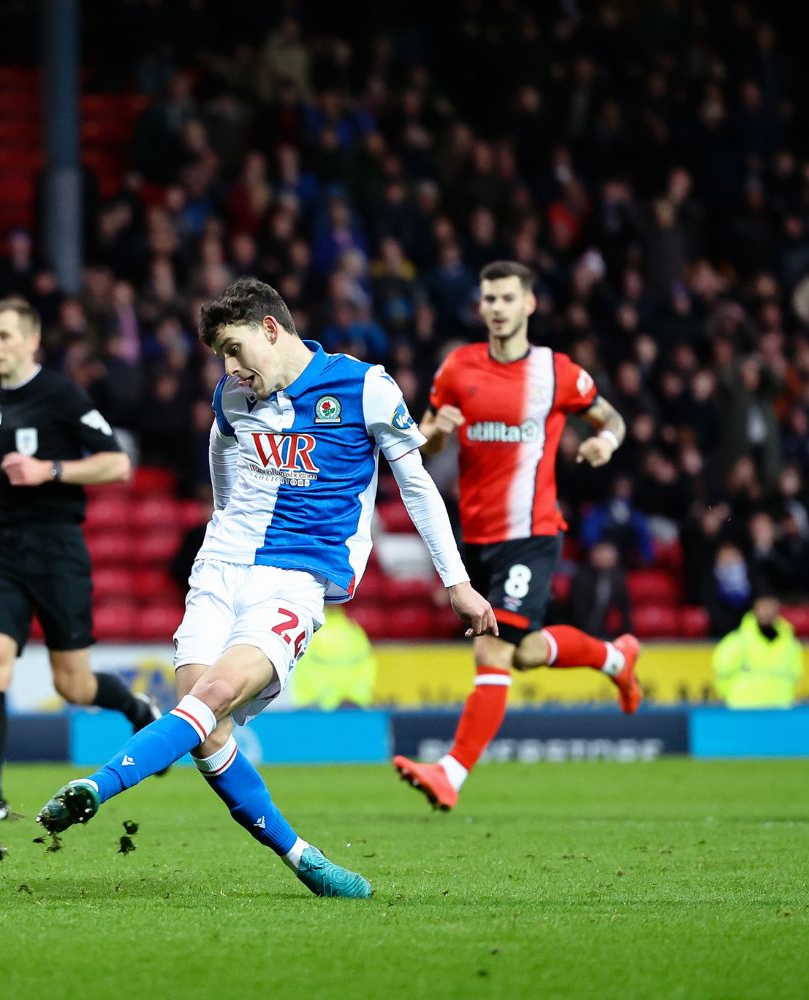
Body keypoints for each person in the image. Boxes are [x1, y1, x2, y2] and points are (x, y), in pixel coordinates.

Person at [34, 278, 497, 899]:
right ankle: (305, 860)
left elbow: (415, 486)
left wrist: (457, 583)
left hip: (295, 578)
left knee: (213, 697)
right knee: (206, 729)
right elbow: (222, 466)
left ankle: (98, 786)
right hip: (220, 568)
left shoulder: (364, 387)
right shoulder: (233, 396)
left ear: (270, 329)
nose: (228, 369)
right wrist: (225, 533)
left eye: (233, 349)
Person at [391, 262, 642, 809]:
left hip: (532, 533)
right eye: (488, 299)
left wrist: (607, 444)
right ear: (480, 307)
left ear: (529, 304)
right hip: (476, 538)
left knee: (493, 651)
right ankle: (616, 660)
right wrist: (434, 434)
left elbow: (612, 419)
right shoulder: (458, 368)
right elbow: (425, 443)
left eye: (507, 298)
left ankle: (450, 774)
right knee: (524, 653)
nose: (497, 308)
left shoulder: (557, 373)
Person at [0, 297, 158, 822]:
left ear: (32, 340)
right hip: (2, 549)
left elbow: (117, 464)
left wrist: (49, 471)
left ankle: (136, 708)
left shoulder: (60, 393)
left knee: (72, 685)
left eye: (4, 336)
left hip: (57, 549)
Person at [712, 590, 804, 709]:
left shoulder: (791, 644)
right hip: (744, 712)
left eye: (771, 606)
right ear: (754, 609)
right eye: (763, 607)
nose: (767, 612)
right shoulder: (735, 642)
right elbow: (722, 678)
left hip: (780, 712)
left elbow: (796, 677)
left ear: (778, 609)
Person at [289, 609, 377, 709]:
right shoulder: (353, 630)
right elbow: (367, 668)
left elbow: (366, 666)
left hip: (317, 708)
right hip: (348, 707)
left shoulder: (310, 631)